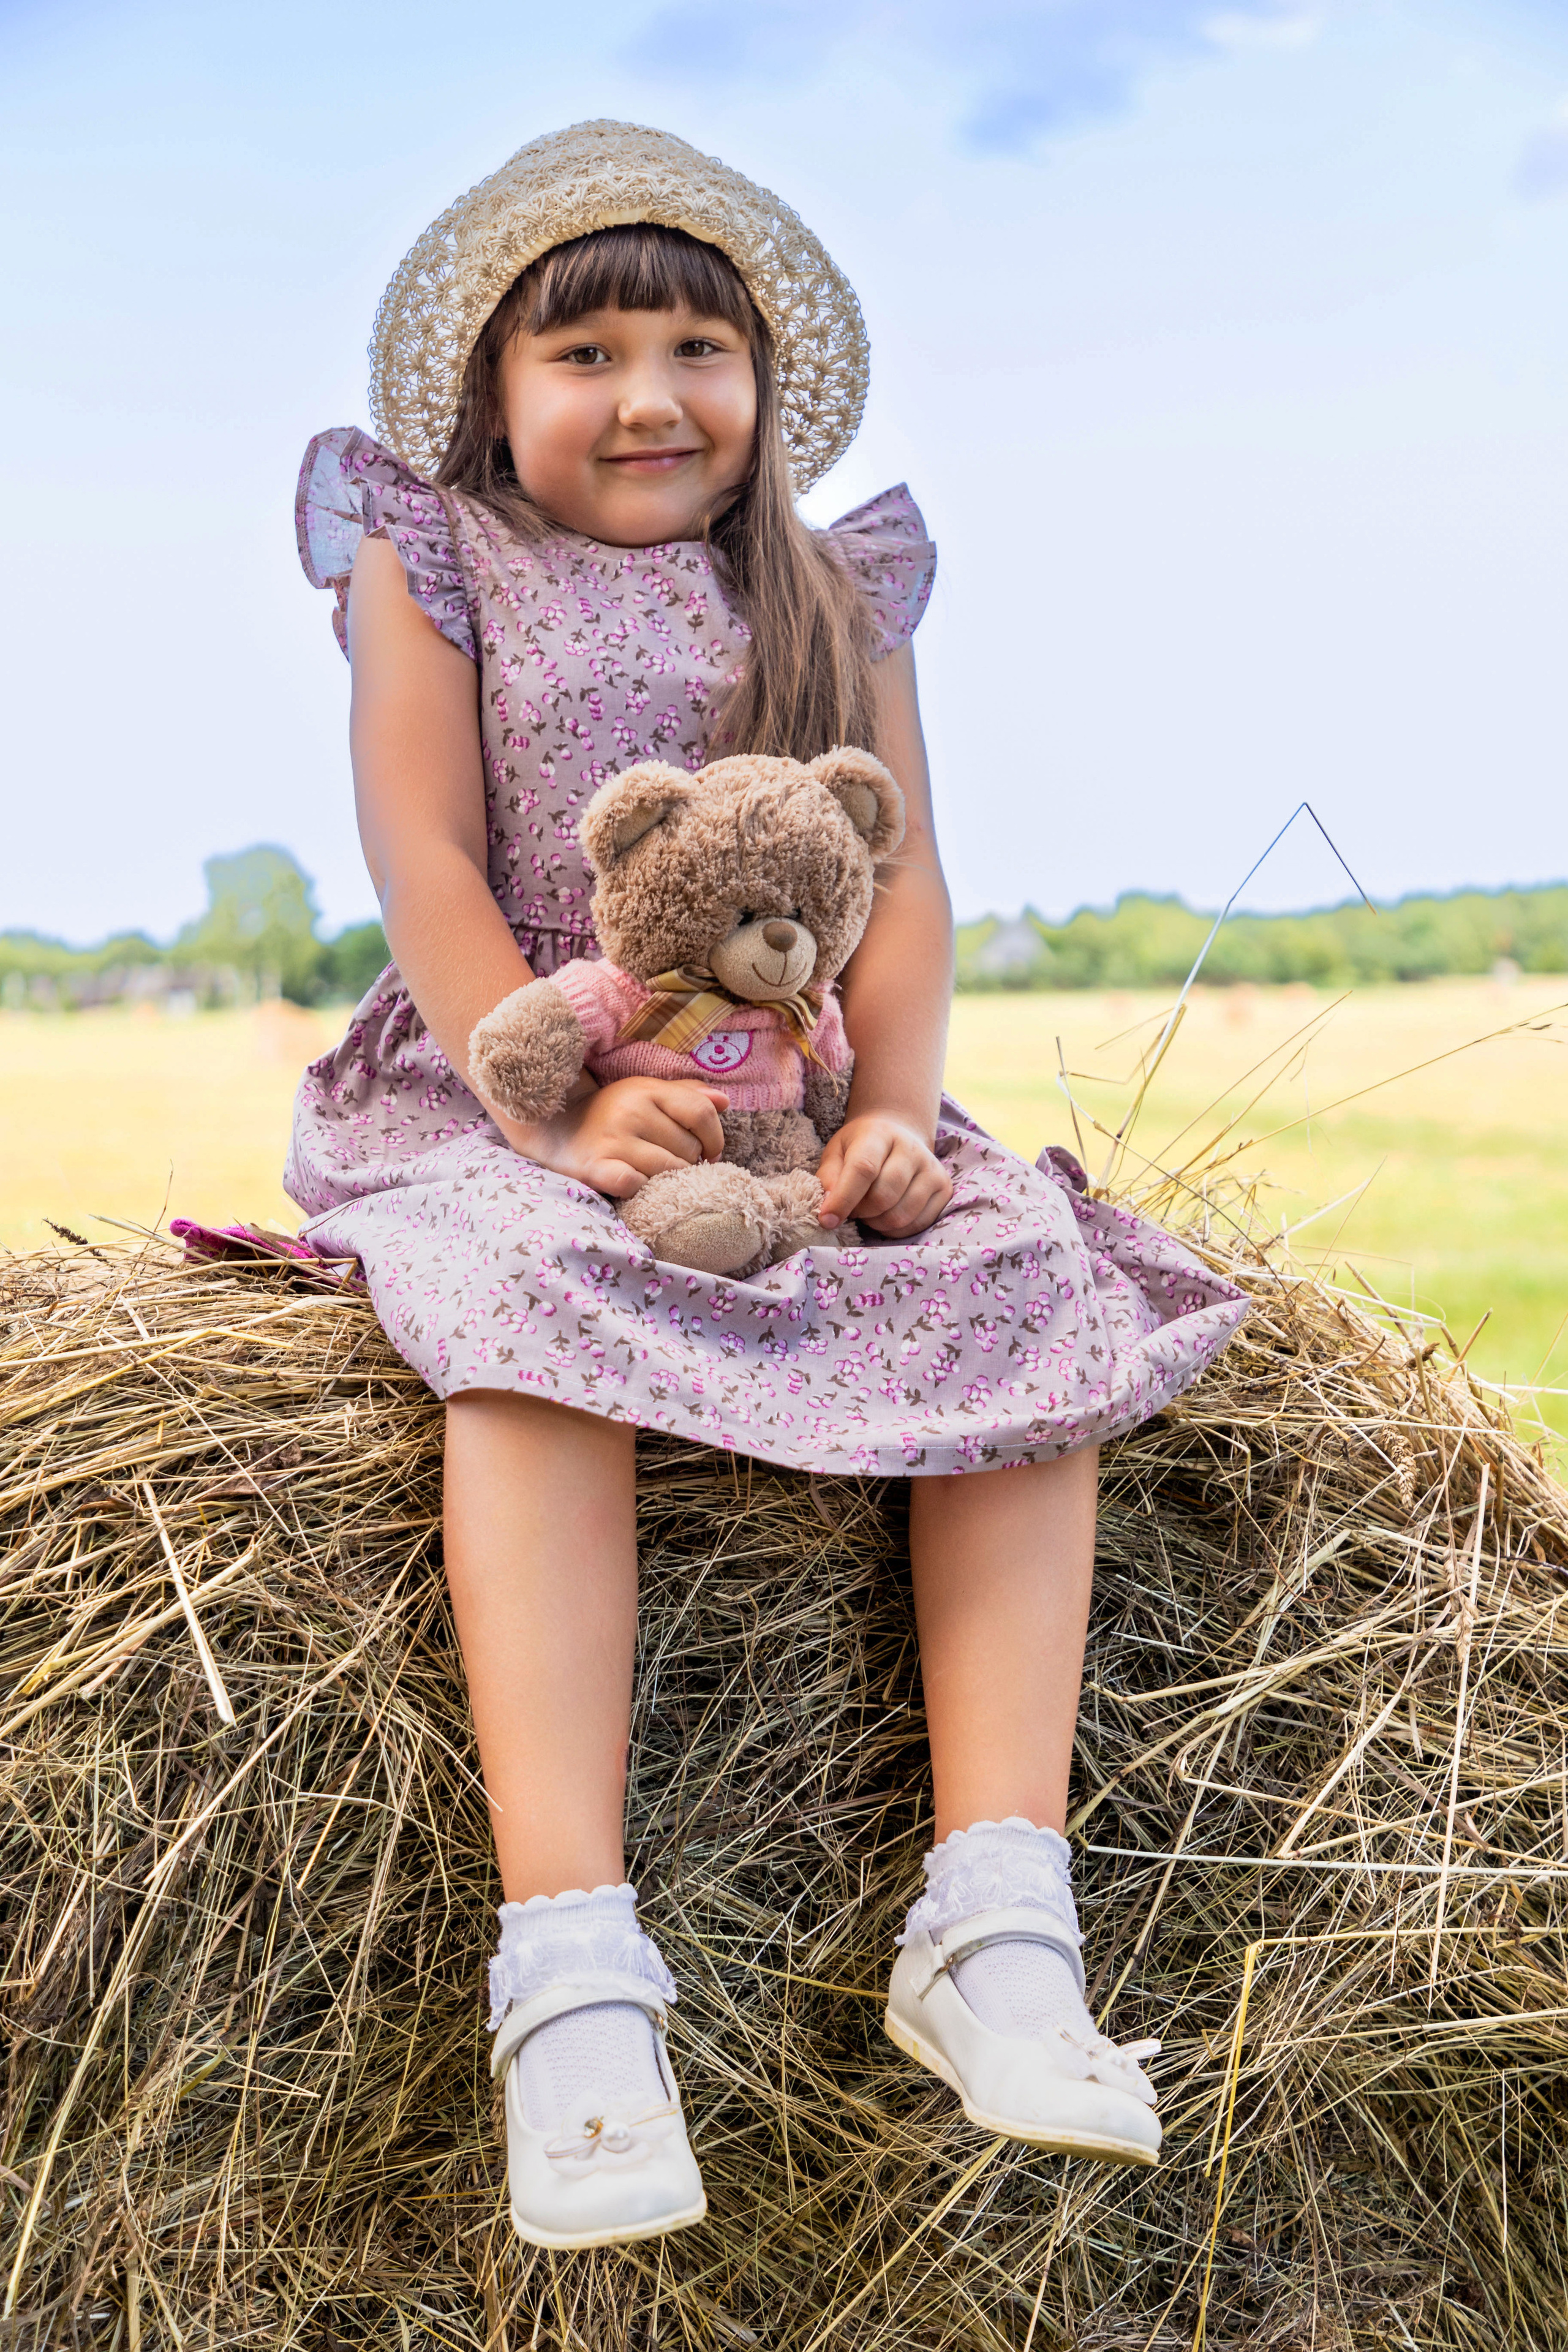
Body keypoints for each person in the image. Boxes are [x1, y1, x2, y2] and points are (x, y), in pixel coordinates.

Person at [287, 120, 1248, 2248]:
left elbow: (899, 886)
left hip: (791, 1102)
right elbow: (426, 855)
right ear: (489, 397)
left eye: (699, 346)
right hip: (507, 1073)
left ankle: (998, 1923)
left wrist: (894, 1112)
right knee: (533, 1314)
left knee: (1019, 1277)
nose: (649, 394)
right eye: (590, 351)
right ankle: (574, 1971)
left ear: (765, 384)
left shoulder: (831, 582)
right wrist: (543, 1110)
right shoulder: (432, 551)